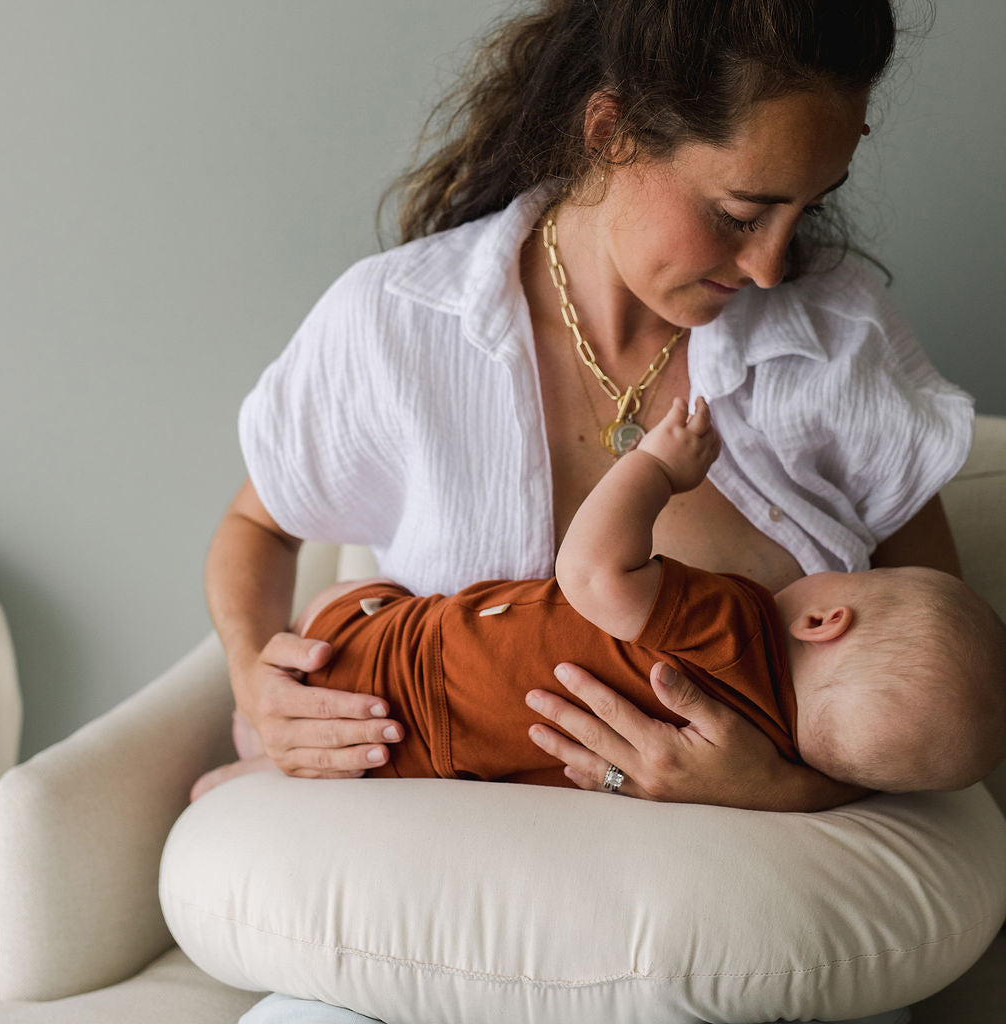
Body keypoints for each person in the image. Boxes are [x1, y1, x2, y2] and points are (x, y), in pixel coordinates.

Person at [206, 0, 991, 811]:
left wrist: (778, 789)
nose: (769, 266)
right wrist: (257, 689)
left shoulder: (837, 339)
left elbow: (937, 684)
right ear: (610, 131)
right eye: (741, 213)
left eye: (806, 207)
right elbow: (256, 528)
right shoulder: (397, 324)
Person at [195, 397, 1005, 802]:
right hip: (443, 765)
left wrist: (661, 469)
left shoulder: (738, 624)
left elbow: (589, 571)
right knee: (352, 739)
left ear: (829, 618)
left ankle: (255, 755)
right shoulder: (765, 763)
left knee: (351, 605)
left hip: (405, 652)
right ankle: (251, 768)